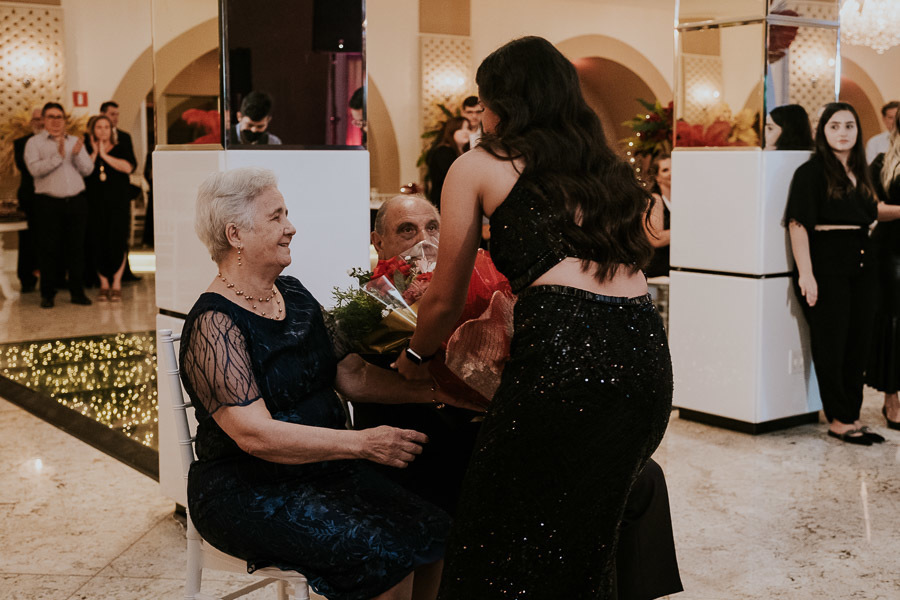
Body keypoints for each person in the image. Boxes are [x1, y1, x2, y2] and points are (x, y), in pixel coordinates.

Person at [395, 37, 673, 598]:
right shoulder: (611, 171)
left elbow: (445, 299)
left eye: (485, 101)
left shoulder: (478, 165)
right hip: (644, 359)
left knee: (495, 530)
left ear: (503, 103)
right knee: (588, 535)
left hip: (567, 358)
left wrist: (415, 355)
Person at [181, 166, 486, 600]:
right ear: (235, 235)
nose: (291, 228)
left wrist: (445, 392)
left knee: (438, 531)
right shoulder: (215, 323)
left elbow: (353, 376)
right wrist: (361, 443)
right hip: (250, 487)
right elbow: (255, 436)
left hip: (322, 472)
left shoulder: (296, 295)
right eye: (276, 217)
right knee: (385, 554)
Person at [370, 194, 681, 599]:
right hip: (446, 444)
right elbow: (377, 390)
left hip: (514, 423)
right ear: (378, 243)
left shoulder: (479, 274)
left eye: (433, 228)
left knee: (643, 477)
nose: (423, 239)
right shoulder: (377, 304)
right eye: (406, 230)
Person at [785, 102, 900, 445]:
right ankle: (838, 419)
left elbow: (871, 211)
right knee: (832, 345)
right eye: (834, 126)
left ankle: (850, 415)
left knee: (858, 344)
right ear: (823, 131)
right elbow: (797, 224)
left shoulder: (860, 171)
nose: (843, 133)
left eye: (849, 126)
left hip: (863, 264)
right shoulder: (811, 172)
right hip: (827, 265)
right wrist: (806, 274)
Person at [24, 102, 95, 308]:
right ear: (44, 120)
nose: (56, 121)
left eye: (59, 117)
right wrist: (59, 156)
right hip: (48, 203)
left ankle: (77, 292)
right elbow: (35, 170)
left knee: (76, 249)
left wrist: (74, 155)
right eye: (51, 117)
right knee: (49, 250)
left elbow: (88, 170)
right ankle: (48, 294)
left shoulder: (75, 141)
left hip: (76, 202)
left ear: (65, 120)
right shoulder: (34, 143)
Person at [866, 107, 900, 430]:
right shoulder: (882, 164)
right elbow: (871, 208)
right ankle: (892, 400)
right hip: (892, 251)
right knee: (895, 323)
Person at [85, 114, 137, 301]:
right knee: (98, 240)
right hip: (95, 204)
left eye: (106, 127)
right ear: (93, 131)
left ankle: (116, 283)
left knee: (117, 240)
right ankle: (103, 283)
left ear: (111, 130)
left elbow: (127, 168)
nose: (103, 131)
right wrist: (94, 153)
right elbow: (84, 170)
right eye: (99, 127)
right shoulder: (87, 149)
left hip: (118, 203)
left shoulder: (120, 147)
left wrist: (104, 155)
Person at [13, 107, 43, 293]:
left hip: (49, 196)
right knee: (27, 238)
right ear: (31, 122)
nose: (39, 122)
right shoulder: (20, 143)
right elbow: (26, 168)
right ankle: (26, 278)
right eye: (36, 119)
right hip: (29, 196)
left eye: (42, 119)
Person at [425, 117, 469, 211]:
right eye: (461, 128)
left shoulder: (460, 152)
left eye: (468, 128)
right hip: (445, 203)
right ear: (451, 131)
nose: (466, 132)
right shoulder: (444, 151)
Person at [644, 153, 672, 278]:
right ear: (657, 177)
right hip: (657, 274)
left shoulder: (684, 199)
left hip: (674, 270)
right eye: (666, 170)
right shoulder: (654, 200)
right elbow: (656, 238)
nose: (672, 173)